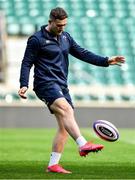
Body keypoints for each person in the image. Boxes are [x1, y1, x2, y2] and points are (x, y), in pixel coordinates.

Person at [18, 7, 125, 174]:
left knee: (64, 126)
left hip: (61, 84)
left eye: (64, 25)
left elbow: (82, 53)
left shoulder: (66, 37)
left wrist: (106, 61)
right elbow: (26, 62)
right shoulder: (36, 40)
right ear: (50, 22)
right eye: (59, 25)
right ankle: (83, 144)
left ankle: (53, 165)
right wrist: (23, 83)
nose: (62, 28)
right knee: (66, 109)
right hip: (45, 83)